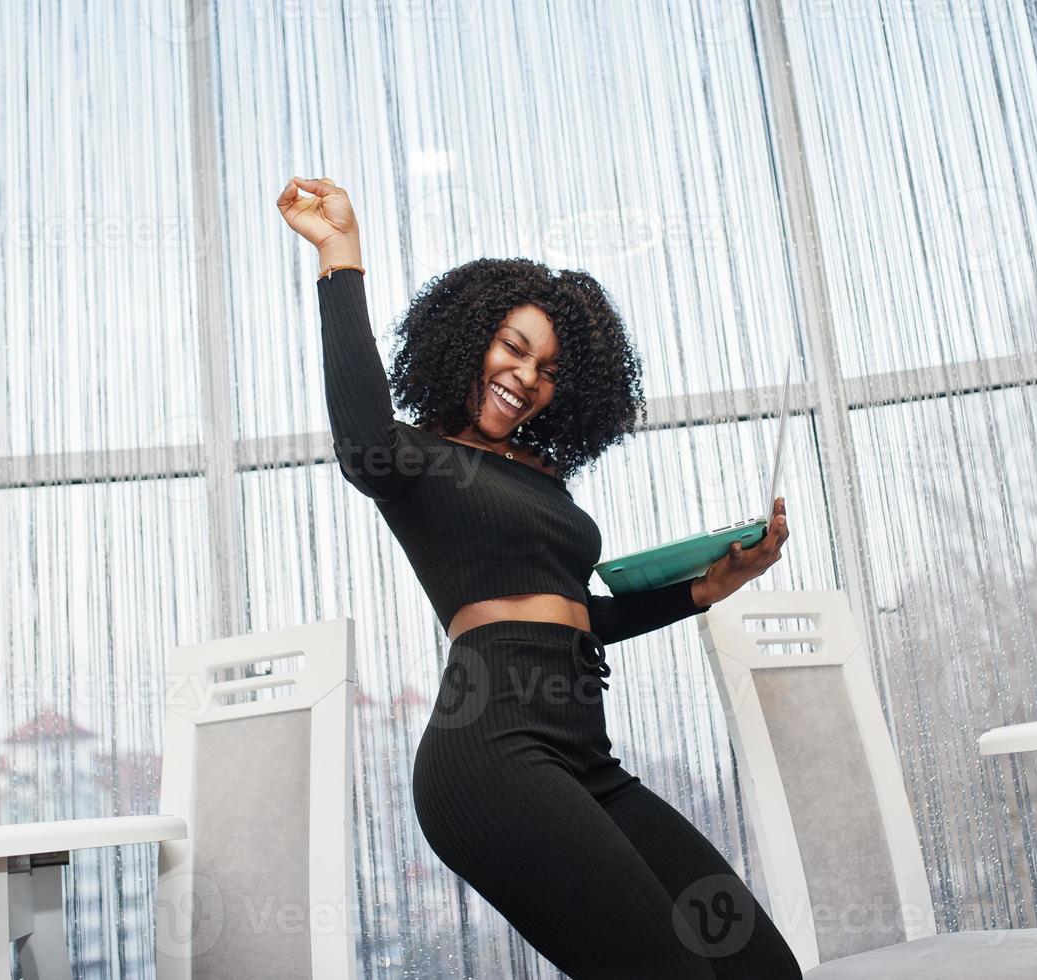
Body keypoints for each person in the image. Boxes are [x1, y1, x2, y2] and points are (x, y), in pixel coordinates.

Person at [278, 175, 800, 980]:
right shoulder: (414, 455)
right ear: (467, 340)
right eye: (512, 348)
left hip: (585, 758)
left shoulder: (539, 474)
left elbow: (573, 616)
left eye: (548, 368)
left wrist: (709, 587)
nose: (524, 377)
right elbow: (359, 437)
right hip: (489, 756)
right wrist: (339, 256)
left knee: (757, 967)